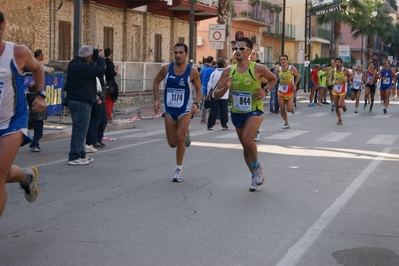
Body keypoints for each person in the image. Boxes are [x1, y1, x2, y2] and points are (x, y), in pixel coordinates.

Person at [214, 37, 277, 192]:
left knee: (248, 139)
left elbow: (273, 79)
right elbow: (215, 94)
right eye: (236, 48)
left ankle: (257, 168)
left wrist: (265, 91)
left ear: (249, 52)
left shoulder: (258, 68)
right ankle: (254, 176)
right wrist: (226, 88)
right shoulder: (229, 71)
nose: (238, 51)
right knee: (245, 145)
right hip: (237, 112)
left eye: (242, 49)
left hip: (254, 110)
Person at [0, 11, 46, 216]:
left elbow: (38, 69)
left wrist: (41, 95)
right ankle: (26, 178)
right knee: (4, 172)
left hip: (11, 123)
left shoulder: (18, 52)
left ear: (2, 26)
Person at [153, 43, 202, 182]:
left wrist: (196, 103)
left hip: (185, 108)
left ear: (186, 54)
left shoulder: (192, 72)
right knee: (172, 143)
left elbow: (199, 90)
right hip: (169, 108)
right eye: (175, 52)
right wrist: (156, 100)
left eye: (181, 53)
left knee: (180, 138)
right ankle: (184, 132)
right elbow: (156, 82)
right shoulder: (166, 69)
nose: (178, 55)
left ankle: (178, 169)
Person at [65, 45, 105, 165]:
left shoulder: (74, 64)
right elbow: (99, 70)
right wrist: (101, 59)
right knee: (80, 130)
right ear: (88, 57)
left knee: (81, 130)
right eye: (91, 56)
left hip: (75, 100)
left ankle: (81, 154)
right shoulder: (80, 67)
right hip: (81, 102)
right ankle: (74, 157)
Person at [274, 55, 300, 129]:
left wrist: (295, 85)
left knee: (288, 109)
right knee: (282, 108)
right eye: (281, 59)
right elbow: (273, 77)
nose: (283, 61)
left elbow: (298, 76)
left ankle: (291, 108)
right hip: (281, 91)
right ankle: (286, 122)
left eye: (284, 59)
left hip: (289, 91)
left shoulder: (291, 69)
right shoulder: (278, 70)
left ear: (287, 61)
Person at [207, 57, 229, 130]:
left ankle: (210, 125)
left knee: (213, 110)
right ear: (224, 65)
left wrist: (208, 94)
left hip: (215, 94)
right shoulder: (227, 73)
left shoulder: (214, 73)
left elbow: (210, 84)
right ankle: (224, 124)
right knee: (223, 110)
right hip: (224, 94)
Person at [330, 58, 353, 125]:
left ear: (341, 63)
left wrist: (347, 80)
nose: (337, 63)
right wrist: (331, 83)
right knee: (336, 106)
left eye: (339, 62)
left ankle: (343, 105)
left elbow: (351, 75)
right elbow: (331, 79)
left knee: (340, 104)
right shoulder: (333, 71)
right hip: (335, 89)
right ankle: (339, 119)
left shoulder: (344, 70)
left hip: (343, 89)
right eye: (336, 62)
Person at [27, 83, 47, 152]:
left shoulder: (31, 96)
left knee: (37, 132)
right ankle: (33, 145)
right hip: (37, 117)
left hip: (37, 117)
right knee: (39, 133)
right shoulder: (34, 97)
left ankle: (36, 144)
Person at [104, 48, 118, 123]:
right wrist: (115, 72)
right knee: (109, 100)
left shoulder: (102, 61)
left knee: (104, 100)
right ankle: (108, 117)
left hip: (103, 83)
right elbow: (111, 73)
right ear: (110, 54)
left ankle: (106, 116)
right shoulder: (109, 62)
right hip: (110, 83)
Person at [199, 56, 214, 124]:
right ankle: (208, 118)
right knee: (208, 103)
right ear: (212, 61)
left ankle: (203, 118)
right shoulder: (209, 69)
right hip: (209, 88)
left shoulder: (203, 68)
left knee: (205, 103)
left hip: (203, 87)